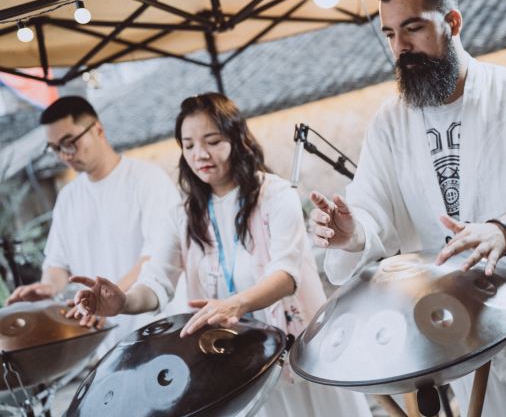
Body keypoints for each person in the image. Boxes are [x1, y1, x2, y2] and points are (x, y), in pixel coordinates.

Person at [309, 0, 506, 417]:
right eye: (390, 34)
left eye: (413, 28)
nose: (401, 47)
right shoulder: (389, 123)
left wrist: (502, 230)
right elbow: (371, 209)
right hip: (457, 332)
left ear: (453, 22)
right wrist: (353, 233)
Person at [71, 93, 372, 417]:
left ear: (237, 139)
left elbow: (286, 276)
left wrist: (235, 304)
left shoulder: (276, 195)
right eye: (188, 146)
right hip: (234, 363)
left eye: (212, 141)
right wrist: (124, 302)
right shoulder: (181, 216)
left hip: (297, 352)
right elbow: (157, 283)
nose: (199, 154)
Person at [6, 95, 181, 354]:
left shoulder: (148, 180)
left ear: (98, 129)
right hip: (107, 342)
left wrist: (107, 298)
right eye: (54, 148)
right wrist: (48, 287)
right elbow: (58, 263)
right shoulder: (68, 197)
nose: (64, 156)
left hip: (160, 328)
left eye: (69, 143)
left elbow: (158, 256)